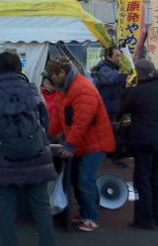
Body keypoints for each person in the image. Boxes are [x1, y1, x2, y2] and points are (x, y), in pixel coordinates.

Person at [0, 52, 57, 246]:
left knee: (7, 207)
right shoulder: (32, 89)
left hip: (6, 154)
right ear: (19, 68)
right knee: (41, 206)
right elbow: (46, 119)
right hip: (36, 152)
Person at [46, 56, 116, 232]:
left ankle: (92, 217)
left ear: (62, 73)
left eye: (52, 76)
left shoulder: (82, 88)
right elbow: (58, 117)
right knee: (76, 179)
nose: (50, 80)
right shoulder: (63, 89)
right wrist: (49, 136)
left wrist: (69, 145)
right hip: (82, 143)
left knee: (85, 179)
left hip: (95, 144)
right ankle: (87, 211)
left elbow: (81, 121)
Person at [121, 58, 158, 230]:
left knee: (143, 179)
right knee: (155, 179)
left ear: (139, 73)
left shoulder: (137, 92)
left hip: (143, 140)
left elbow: (123, 108)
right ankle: (156, 217)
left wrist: (127, 90)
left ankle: (145, 219)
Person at [91, 47, 128, 120]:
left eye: (120, 56)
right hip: (108, 109)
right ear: (108, 57)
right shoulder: (103, 68)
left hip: (114, 107)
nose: (119, 58)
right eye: (117, 56)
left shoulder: (115, 68)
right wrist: (127, 76)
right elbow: (113, 79)